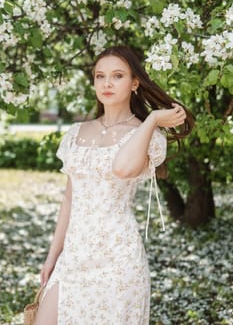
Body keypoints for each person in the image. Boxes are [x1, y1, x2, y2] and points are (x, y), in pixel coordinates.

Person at [34, 46, 194, 325]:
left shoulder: (149, 137)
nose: (106, 83)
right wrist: (52, 257)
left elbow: (122, 168)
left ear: (134, 83)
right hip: (73, 257)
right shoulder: (76, 133)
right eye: (100, 76)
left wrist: (153, 119)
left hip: (118, 261)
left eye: (117, 76)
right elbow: (70, 200)